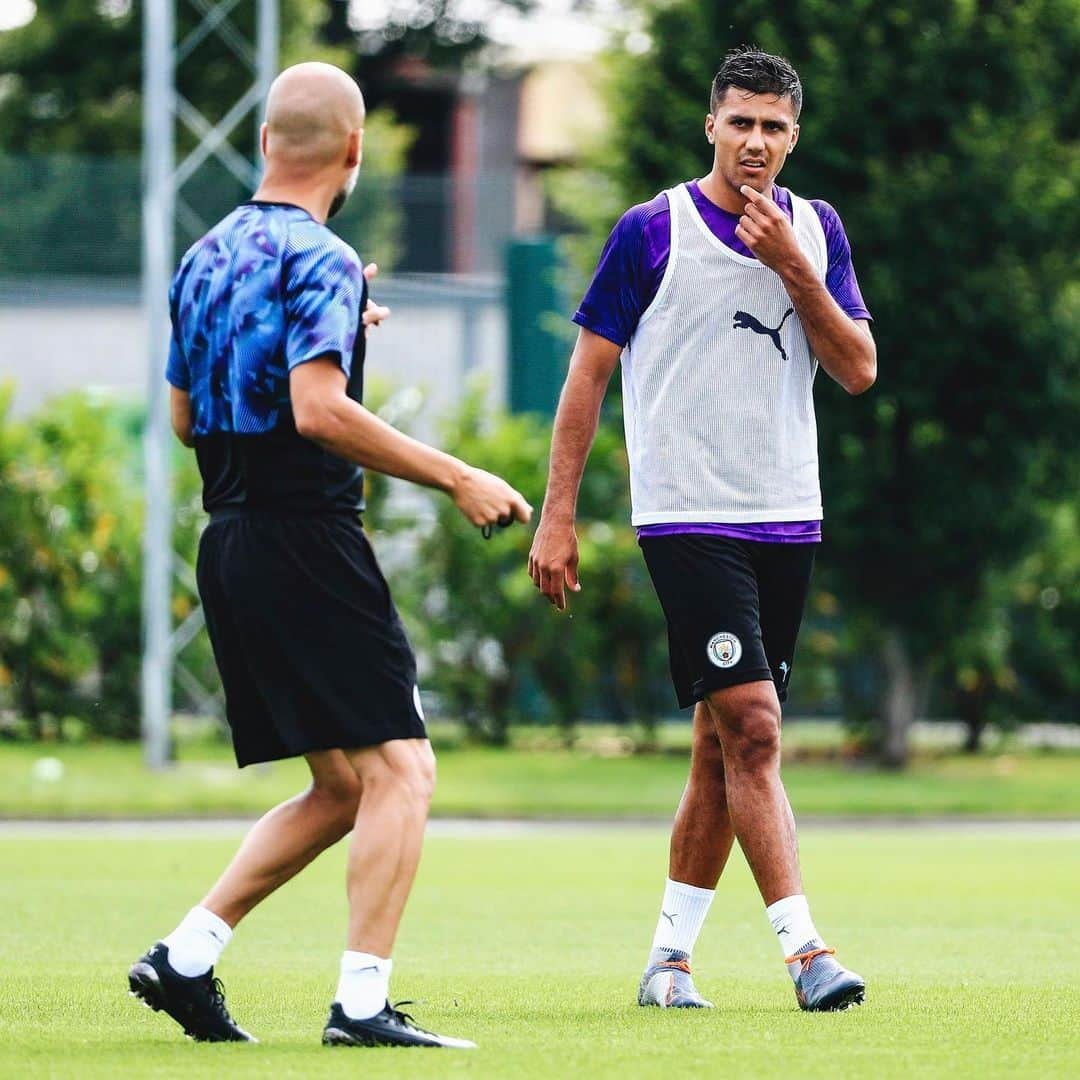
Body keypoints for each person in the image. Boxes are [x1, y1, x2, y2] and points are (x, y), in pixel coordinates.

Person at [128, 61, 530, 1049]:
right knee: (405, 771)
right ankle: (360, 1005)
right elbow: (315, 412)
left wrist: (340, 334)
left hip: (228, 541)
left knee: (345, 787)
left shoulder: (203, 259)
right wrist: (457, 476)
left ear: (266, 142)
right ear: (354, 151)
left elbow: (186, 420)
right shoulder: (326, 260)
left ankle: (185, 956)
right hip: (306, 536)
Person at [528, 46, 874, 1013]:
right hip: (687, 517)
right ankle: (806, 951)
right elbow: (586, 377)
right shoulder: (652, 230)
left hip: (786, 517)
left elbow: (858, 368)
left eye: (774, 127)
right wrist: (558, 516)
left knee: (721, 749)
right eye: (741, 123)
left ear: (793, 137)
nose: (755, 142)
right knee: (756, 731)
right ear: (711, 127)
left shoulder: (818, 231)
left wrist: (795, 268)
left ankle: (668, 961)